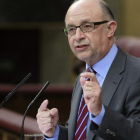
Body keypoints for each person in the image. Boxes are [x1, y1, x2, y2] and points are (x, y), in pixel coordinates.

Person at [36, 0, 140, 139]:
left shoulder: (136, 72)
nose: (78, 36)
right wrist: (53, 132)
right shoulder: (84, 77)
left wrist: (100, 113)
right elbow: (83, 135)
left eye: (87, 26)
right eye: (71, 29)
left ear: (110, 29)